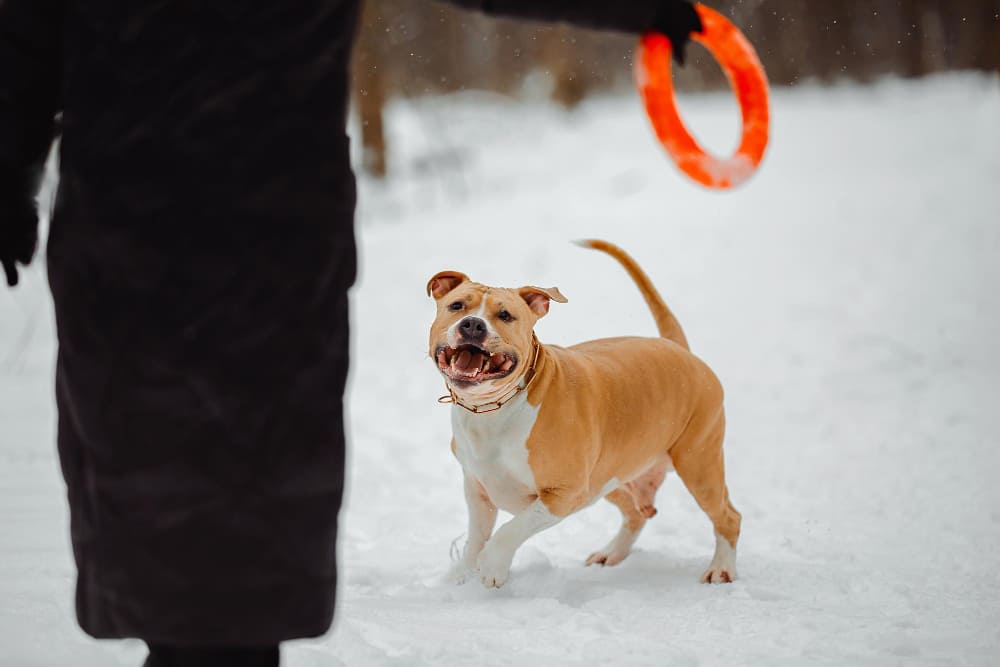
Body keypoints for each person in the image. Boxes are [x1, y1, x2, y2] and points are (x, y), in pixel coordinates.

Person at [0, 1, 701, 665]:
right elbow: (23, 29)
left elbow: (25, 34)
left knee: (230, 521)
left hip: (225, 235)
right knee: (171, 504)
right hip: (185, 231)